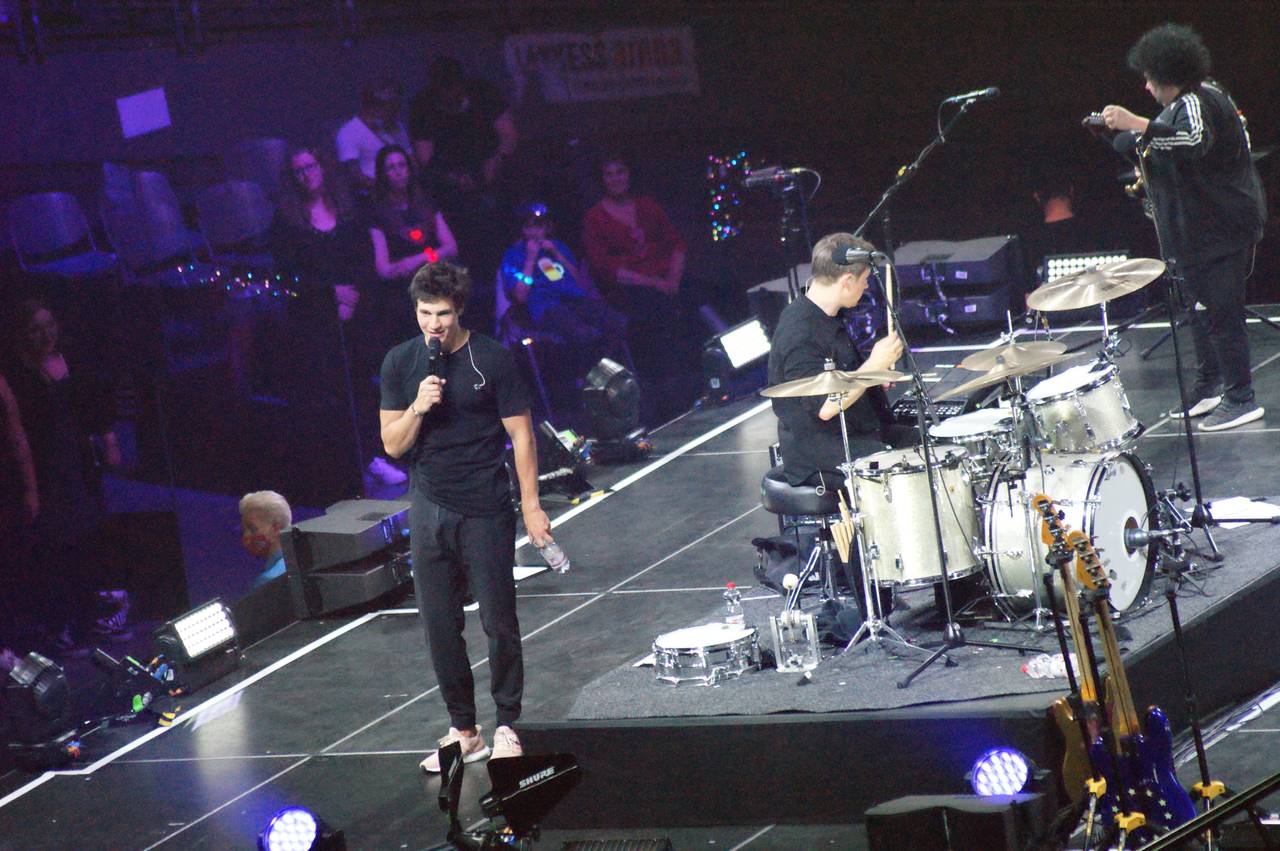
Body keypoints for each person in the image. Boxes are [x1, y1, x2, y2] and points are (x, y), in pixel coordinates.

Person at [378, 260, 551, 773]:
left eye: (444, 314)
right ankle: (464, 729)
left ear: (459, 312)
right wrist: (417, 407)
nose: (435, 324)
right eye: (426, 313)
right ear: (415, 311)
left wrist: (533, 505)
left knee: (499, 621)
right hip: (428, 505)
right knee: (439, 625)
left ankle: (508, 725)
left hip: (485, 508)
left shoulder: (491, 359)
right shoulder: (400, 363)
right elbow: (392, 445)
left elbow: (522, 435)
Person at [1102, 23, 1267, 431]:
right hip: (1194, 233)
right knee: (1197, 312)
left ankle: (1241, 397)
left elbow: (1192, 142)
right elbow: (1166, 155)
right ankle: (1211, 385)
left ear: (1168, 76)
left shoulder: (1201, 99)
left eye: (1149, 78)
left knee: (1222, 313)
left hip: (1224, 229)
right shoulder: (1179, 105)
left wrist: (1136, 123)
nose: (1146, 86)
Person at [3, 299, 130, 652]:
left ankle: (91, 618)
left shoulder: (70, 360)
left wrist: (109, 440)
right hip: (45, 467)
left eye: (50, 325)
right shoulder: (17, 374)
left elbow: (93, 404)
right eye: (36, 328)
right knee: (57, 547)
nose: (46, 334)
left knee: (88, 537)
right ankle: (62, 625)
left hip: (77, 461)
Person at [269, 145, 375, 490]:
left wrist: (351, 296)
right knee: (327, 389)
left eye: (310, 166)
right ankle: (340, 466)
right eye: (298, 170)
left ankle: (373, 455)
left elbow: (363, 257)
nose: (306, 175)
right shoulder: (286, 221)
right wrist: (331, 294)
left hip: (356, 310)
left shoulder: (348, 213)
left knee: (362, 383)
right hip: (314, 317)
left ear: (323, 167)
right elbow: (289, 275)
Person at [767, 233, 904, 490]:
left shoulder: (828, 315)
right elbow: (826, 408)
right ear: (847, 281)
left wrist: (874, 377)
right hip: (820, 452)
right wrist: (872, 367)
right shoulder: (800, 332)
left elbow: (840, 377)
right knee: (901, 470)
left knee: (924, 443)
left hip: (854, 432)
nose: (866, 288)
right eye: (864, 280)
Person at [582, 153, 690, 419]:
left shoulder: (648, 206)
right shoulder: (595, 217)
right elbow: (604, 268)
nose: (616, 178)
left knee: (696, 297)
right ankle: (662, 393)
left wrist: (673, 279)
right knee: (649, 312)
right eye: (610, 173)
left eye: (620, 171)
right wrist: (654, 283)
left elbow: (676, 244)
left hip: (665, 282)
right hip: (628, 288)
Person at [498, 202, 627, 372]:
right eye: (530, 227)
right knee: (582, 334)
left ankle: (607, 373)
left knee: (617, 322)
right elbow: (520, 295)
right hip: (545, 306)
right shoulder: (513, 255)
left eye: (539, 226)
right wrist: (530, 258)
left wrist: (556, 254)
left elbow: (578, 280)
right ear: (523, 229)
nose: (535, 231)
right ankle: (586, 379)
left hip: (575, 299)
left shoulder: (558, 246)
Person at [336, 76, 412, 193]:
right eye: (392, 106)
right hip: (371, 200)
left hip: (405, 196)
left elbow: (410, 161)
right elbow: (353, 176)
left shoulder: (397, 127)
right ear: (374, 105)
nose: (397, 111)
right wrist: (388, 190)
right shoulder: (349, 132)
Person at [239, 491, 292, 589]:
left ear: (276, 529)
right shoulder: (305, 565)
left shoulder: (269, 580)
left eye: (252, 529)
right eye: (244, 530)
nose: (246, 535)